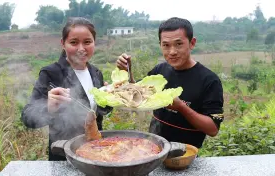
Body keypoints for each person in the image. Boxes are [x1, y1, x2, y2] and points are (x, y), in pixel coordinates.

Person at [116, 17, 224, 149]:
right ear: (160, 45)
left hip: (186, 156)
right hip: (154, 148)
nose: (172, 52)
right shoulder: (160, 70)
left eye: (179, 44)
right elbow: (139, 92)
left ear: (192, 43)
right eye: (166, 45)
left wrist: (182, 107)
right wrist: (127, 71)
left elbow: (213, 129)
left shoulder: (209, 80)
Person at [21, 17, 112, 161]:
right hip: (64, 156)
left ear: (94, 43)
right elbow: (27, 117)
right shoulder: (51, 73)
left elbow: (100, 111)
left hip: (95, 153)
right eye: (74, 42)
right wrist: (49, 107)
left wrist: (110, 97)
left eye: (87, 42)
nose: (81, 49)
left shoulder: (95, 72)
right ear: (63, 43)